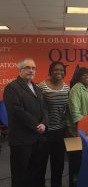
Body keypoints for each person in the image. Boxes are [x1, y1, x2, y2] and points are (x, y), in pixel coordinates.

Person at [3, 58, 48, 187]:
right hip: (21, 139)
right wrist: (36, 125)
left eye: (33, 68)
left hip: (37, 137)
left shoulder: (37, 88)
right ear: (20, 70)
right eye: (28, 67)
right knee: (20, 174)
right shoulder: (12, 88)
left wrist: (44, 123)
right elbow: (17, 111)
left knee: (36, 171)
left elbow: (44, 108)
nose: (31, 70)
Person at [37, 61, 70, 187]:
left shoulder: (66, 87)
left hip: (60, 130)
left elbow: (67, 108)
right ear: (50, 71)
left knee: (58, 163)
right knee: (41, 163)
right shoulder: (41, 86)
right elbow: (37, 107)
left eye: (61, 70)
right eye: (56, 70)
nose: (59, 72)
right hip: (45, 130)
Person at [67, 67, 88, 136]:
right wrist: (85, 124)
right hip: (85, 124)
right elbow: (75, 110)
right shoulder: (76, 89)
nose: (87, 76)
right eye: (83, 75)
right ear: (78, 77)